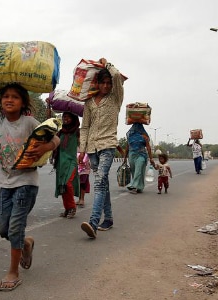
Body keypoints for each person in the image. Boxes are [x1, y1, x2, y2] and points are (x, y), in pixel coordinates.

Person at [0, 77, 60, 291]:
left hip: (26, 183)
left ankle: (13, 272)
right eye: (6, 96)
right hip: (5, 184)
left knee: (16, 226)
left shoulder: (29, 122)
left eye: (15, 97)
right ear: (0, 101)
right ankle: (26, 243)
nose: (9, 100)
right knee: (2, 228)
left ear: (23, 102)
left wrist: (46, 147)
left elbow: (56, 138)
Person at [79, 58, 124, 238]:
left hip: (108, 145)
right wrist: (82, 149)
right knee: (102, 183)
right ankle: (109, 218)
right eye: (103, 83)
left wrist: (108, 65)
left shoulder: (115, 98)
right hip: (92, 148)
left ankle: (93, 223)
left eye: (108, 83)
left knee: (99, 182)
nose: (106, 86)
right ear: (97, 83)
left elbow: (117, 77)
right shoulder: (89, 103)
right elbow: (85, 127)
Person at [53, 111, 80, 218]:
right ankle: (67, 208)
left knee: (67, 184)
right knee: (62, 186)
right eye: (64, 117)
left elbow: (82, 143)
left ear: (73, 119)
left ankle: (72, 207)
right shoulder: (60, 132)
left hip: (71, 161)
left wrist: (83, 155)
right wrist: (48, 107)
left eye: (69, 117)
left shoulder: (77, 132)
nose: (66, 119)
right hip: (60, 162)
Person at [122, 122, 154, 194]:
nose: (136, 128)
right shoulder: (130, 136)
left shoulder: (144, 137)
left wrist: (151, 158)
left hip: (141, 155)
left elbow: (148, 147)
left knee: (138, 170)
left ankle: (133, 185)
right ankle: (139, 187)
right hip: (132, 155)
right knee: (134, 172)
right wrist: (125, 158)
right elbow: (127, 147)